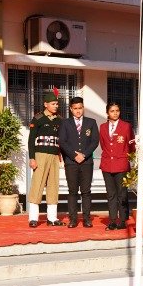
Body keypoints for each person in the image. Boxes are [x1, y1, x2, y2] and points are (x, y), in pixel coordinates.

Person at [58, 96, 100, 228]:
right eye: (75, 108)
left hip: (86, 162)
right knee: (72, 191)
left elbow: (95, 141)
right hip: (71, 162)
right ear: (71, 109)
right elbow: (62, 141)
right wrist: (73, 155)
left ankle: (87, 219)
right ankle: (73, 219)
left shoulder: (91, 122)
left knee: (86, 191)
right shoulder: (65, 123)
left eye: (80, 108)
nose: (78, 111)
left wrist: (85, 155)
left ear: (83, 108)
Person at [27, 90, 63, 227]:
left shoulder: (60, 120)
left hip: (54, 156)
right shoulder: (38, 118)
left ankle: (52, 218)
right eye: (53, 104)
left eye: (57, 104)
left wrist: (61, 157)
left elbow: (61, 140)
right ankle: (33, 218)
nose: (56, 106)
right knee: (38, 185)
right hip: (40, 155)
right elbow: (31, 140)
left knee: (53, 185)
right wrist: (32, 158)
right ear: (45, 104)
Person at [99, 102, 134, 230]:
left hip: (121, 163)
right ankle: (112, 220)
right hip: (107, 164)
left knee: (122, 193)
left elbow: (131, 146)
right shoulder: (102, 127)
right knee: (111, 194)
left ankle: (123, 220)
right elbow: (103, 144)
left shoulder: (126, 126)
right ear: (107, 113)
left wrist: (124, 156)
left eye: (117, 111)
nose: (115, 113)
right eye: (112, 111)